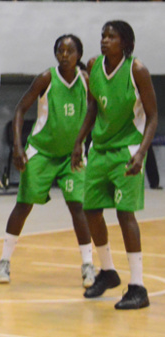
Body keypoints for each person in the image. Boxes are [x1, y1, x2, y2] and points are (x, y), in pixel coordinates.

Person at [0, 35, 95, 288]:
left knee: (78, 207)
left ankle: (88, 264)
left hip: (71, 155)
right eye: (60, 50)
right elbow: (20, 109)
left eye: (70, 51)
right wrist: (18, 146)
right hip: (42, 152)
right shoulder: (46, 78)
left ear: (79, 55)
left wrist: (86, 145)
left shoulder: (86, 81)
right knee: (24, 205)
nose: (64, 55)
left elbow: (95, 112)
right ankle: (3, 262)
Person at [71, 20, 158, 310]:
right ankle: (108, 272)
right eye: (103, 35)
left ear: (126, 43)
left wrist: (142, 153)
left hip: (127, 150)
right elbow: (93, 108)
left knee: (125, 214)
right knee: (91, 210)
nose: (105, 40)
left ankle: (138, 286)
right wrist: (79, 142)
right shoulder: (94, 65)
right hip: (99, 149)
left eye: (112, 36)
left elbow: (153, 116)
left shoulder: (137, 70)